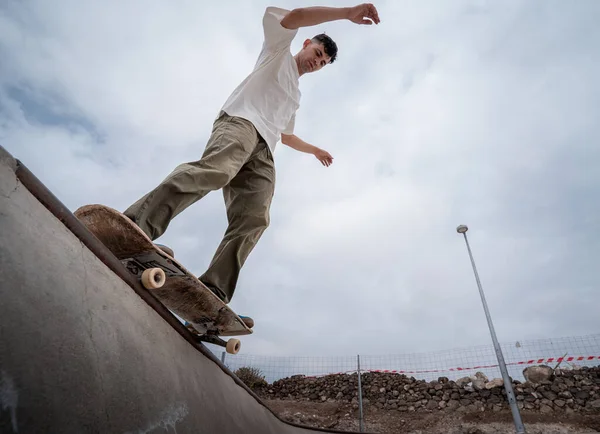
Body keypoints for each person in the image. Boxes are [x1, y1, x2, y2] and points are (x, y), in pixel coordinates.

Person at [123, 4, 381, 313]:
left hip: (265, 150)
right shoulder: (278, 50)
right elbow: (296, 16)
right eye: (318, 53)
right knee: (215, 172)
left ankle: (213, 288)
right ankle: (136, 224)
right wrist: (346, 13)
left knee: (256, 216)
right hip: (240, 123)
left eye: (323, 62)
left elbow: (286, 135)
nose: (317, 62)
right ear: (306, 44)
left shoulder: (295, 95)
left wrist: (315, 150)